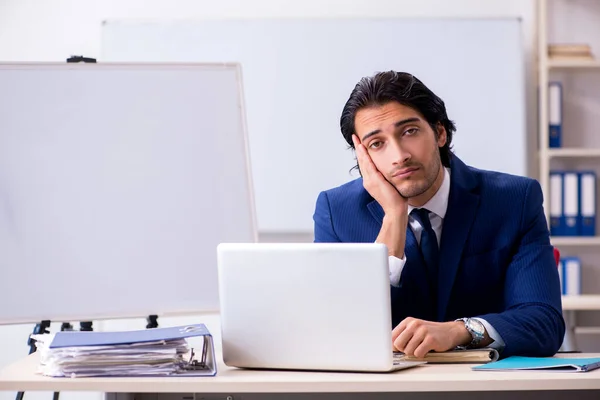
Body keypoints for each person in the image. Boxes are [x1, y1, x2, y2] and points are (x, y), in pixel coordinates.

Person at [313, 71, 565, 358]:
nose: (399, 155)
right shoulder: (336, 212)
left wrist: (459, 330)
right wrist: (394, 217)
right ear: (363, 156)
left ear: (440, 132)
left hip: (485, 386)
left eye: (409, 131)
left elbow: (544, 323)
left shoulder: (514, 200)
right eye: (377, 143)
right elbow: (335, 329)